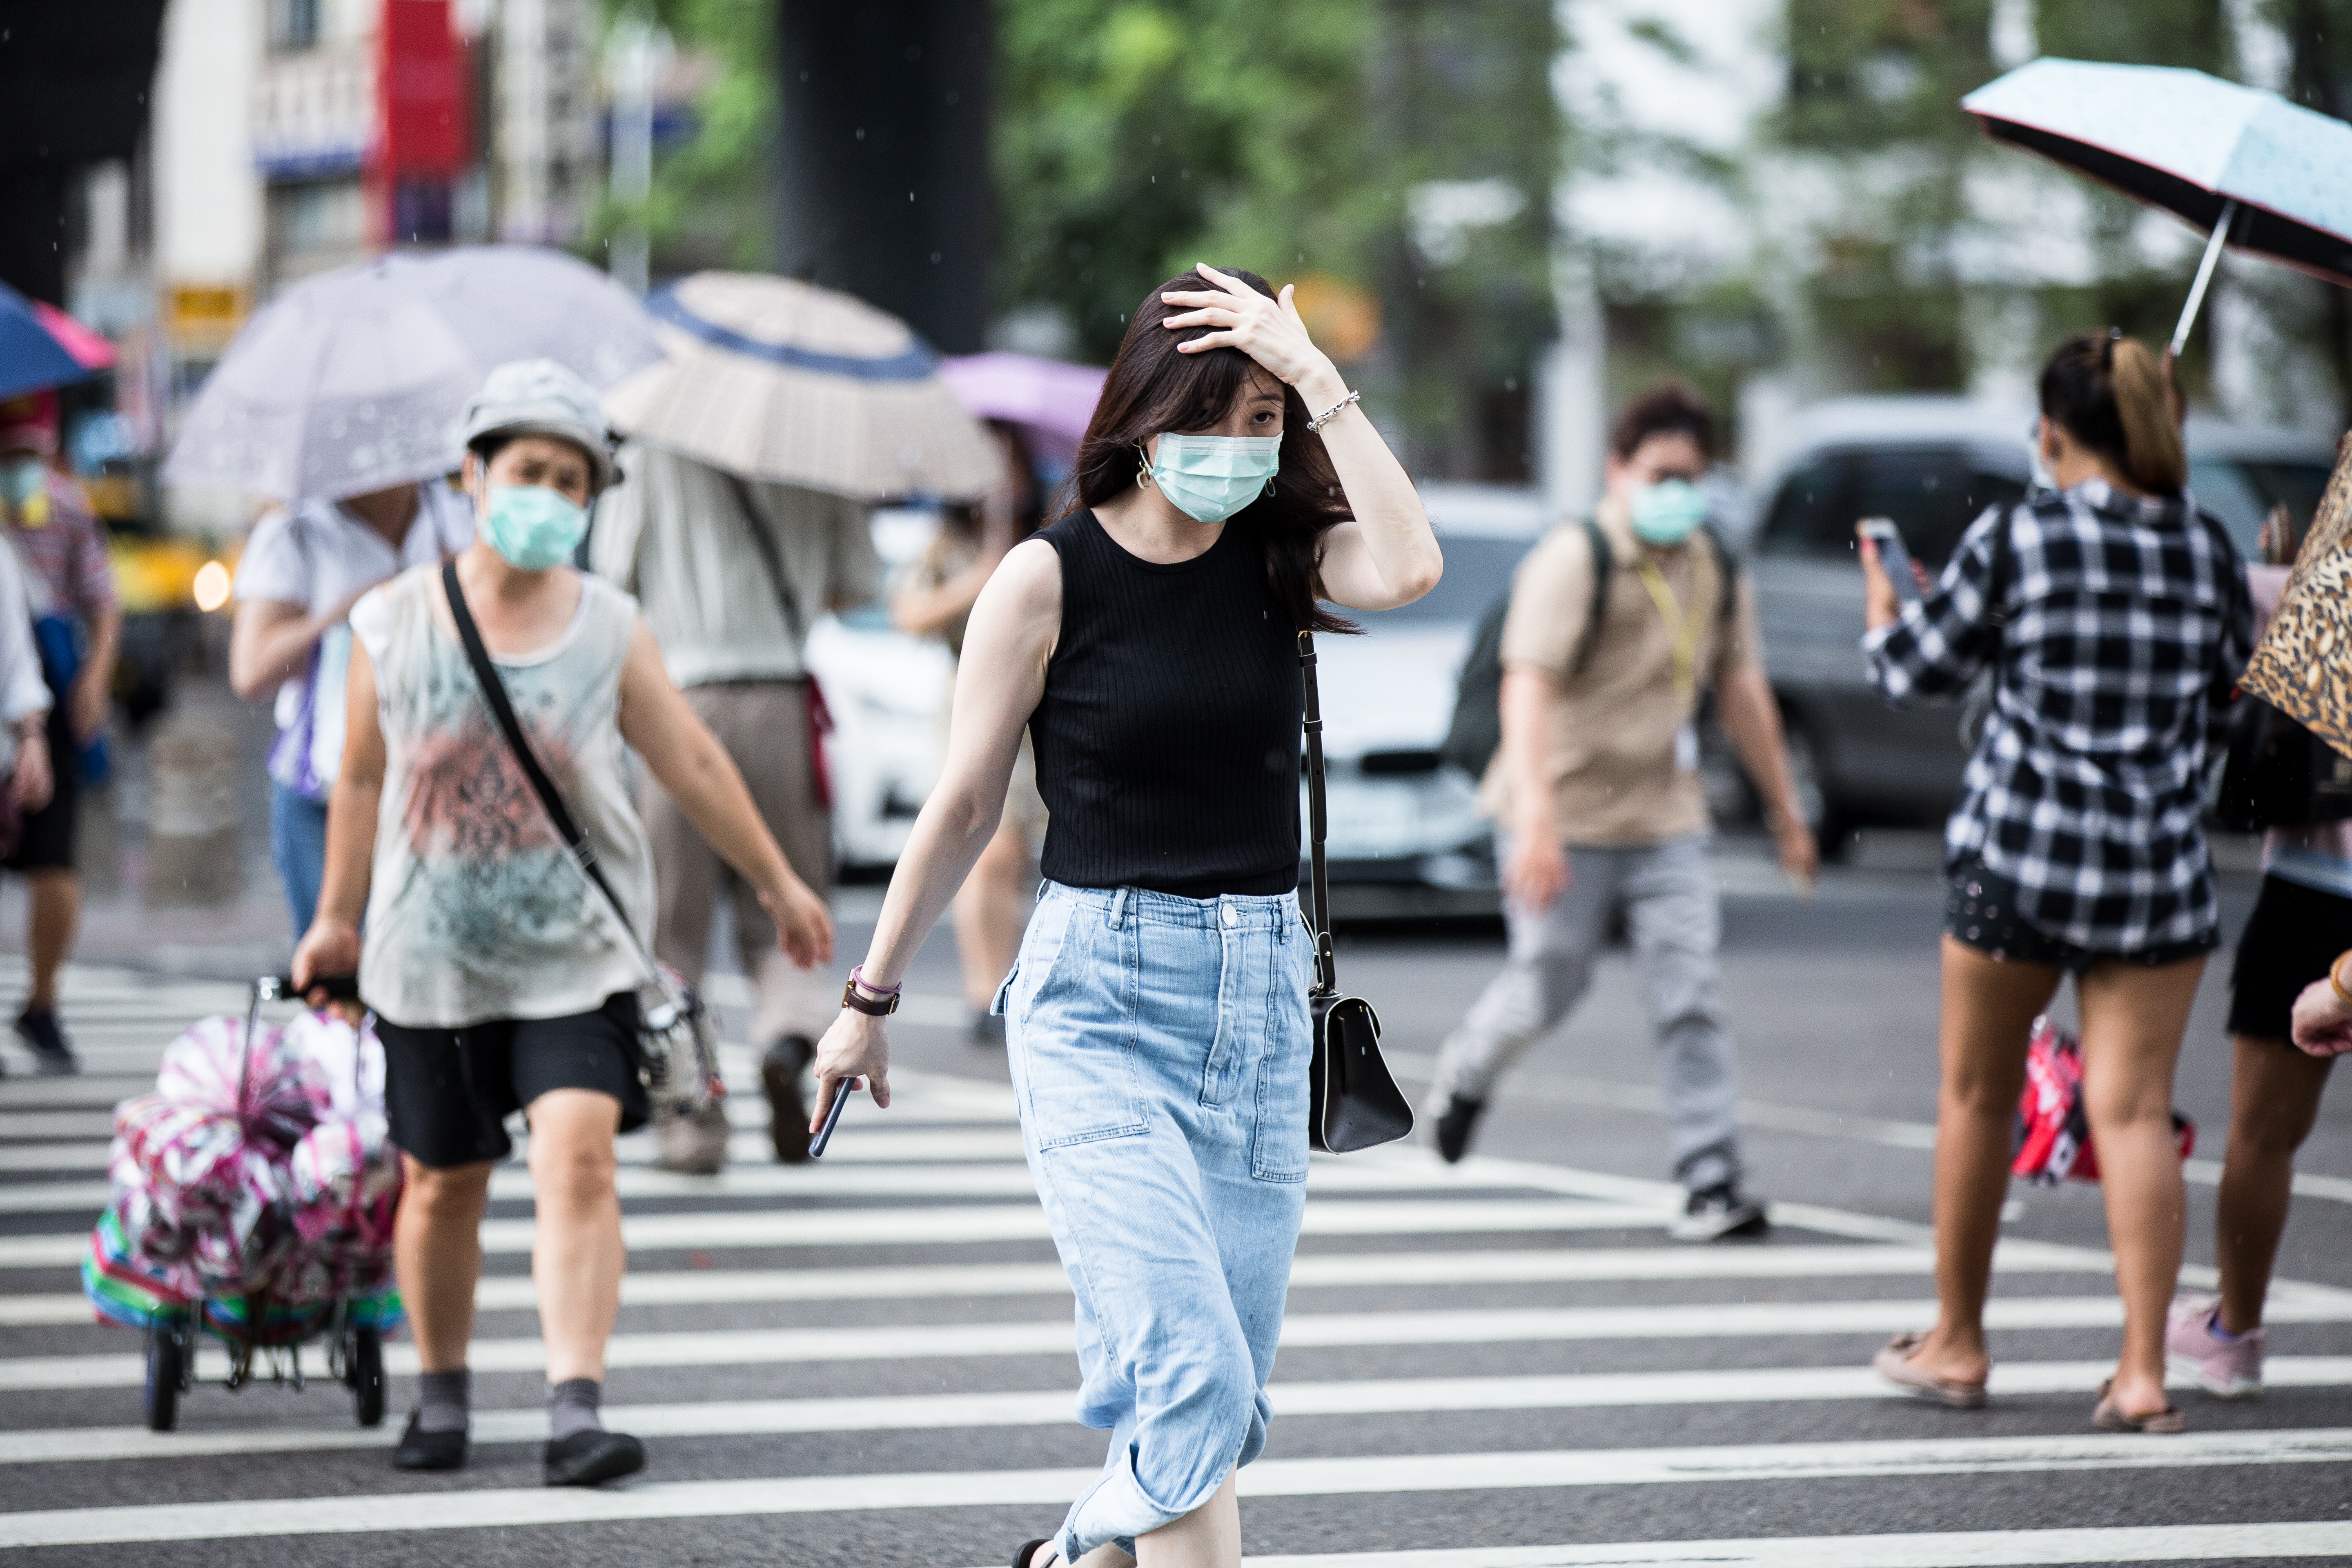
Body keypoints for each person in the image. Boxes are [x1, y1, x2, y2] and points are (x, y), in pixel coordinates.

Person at [809, 264, 1441, 1568]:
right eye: (1212, 418)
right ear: (1142, 419)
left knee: (1212, 1400)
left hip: (1260, 1005)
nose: (1239, 448)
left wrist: (1318, 379)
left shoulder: (1278, 554)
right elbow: (967, 801)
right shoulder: (1046, 579)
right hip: (1098, 996)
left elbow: (1413, 563)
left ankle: (1087, 1548)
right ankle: (1087, 1536)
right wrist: (869, 1002)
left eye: (1264, 421)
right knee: (1196, 1381)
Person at [290, 360, 834, 1486]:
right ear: (472, 476)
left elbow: (686, 755)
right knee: (442, 1180)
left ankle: (574, 1405)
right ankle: (441, 1397)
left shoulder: (609, 625)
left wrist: (780, 881)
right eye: (529, 470)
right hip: (426, 958)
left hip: (578, 957)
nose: (548, 494)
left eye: (573, 481)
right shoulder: (389, 621)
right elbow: (356, 778)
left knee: (579, 1159)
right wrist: (333, 923)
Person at [1861, 330, 2249, 1431]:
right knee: (2131, 1115)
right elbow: (2231, 692)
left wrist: (1885, 599)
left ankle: (1960, 1342)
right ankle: (2141, 1374)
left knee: (1978, 1096)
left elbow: (1912, 672)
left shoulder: (2020, 535)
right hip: (2158, 873)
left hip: (2018, 861)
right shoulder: (2206, 548)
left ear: (2051, 434)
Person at [1423, 382, 1817, 1242]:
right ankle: (1468, 1074)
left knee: (1690, 993)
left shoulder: (1712, 560)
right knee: (1547, 986)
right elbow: (1528, 688)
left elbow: (1742, 688)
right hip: (1560, 811)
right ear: (1618, 469)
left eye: (1693, 474)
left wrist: (1788, 809)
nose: (1678, 490)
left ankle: (1712, 1178)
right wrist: (1535, 823)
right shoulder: (1576, 558)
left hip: (1664, 814)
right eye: (1660, 473)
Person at [589, 441, 879, 1163]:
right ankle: (788, 1034)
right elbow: (855, 582)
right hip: (783, 701)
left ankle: (692, 1123)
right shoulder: (820, 444)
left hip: (679, 707)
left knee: (674, 933)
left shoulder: (653, 446)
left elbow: (611, 580)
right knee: (788, 915)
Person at [2165, 526, 2343, 1398]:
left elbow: (2200, 591)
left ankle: (2233, 1332)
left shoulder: (2315, 584)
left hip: (2315, 882)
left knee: (2264, 1135)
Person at [229, 462, 473, 937]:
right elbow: (252, 673)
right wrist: (351, 612)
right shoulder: (294, 531)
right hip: (323, 788)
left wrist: (450, 586)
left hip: (440, 784)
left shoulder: (460, 517)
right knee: (342, 972)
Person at [890, 421, 1049, 1045]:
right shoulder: (949, 543)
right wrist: (982, 578)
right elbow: (909, 613)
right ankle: (982, 989)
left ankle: (1005, 980)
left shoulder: (1047, 533)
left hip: (1041, 700)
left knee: (1017, 857)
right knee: (984, 840)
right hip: (970, 698)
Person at [0, 392, 119, 1075]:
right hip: (20, 698)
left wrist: (95, 683)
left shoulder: (66, 508)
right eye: (9, 457)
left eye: (31, 458)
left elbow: (104, 602)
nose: (23, 471)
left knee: (56, 861)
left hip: (50, 692)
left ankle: (42, 1003)